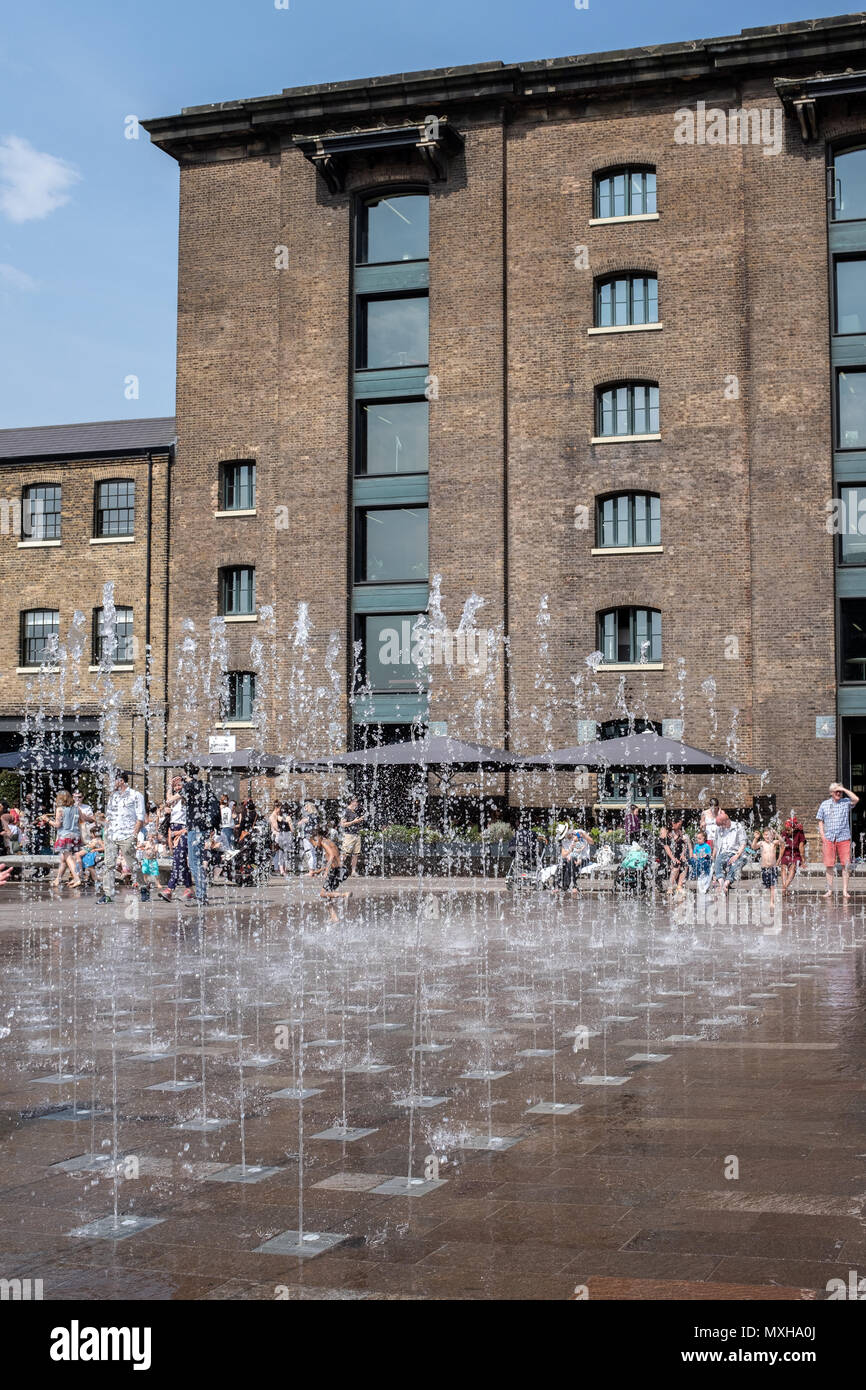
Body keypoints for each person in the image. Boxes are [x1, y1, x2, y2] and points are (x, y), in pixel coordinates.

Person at [98, 770, 146, 904]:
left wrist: (134, 835)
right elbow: (109, 817)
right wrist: (106, 832)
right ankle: (108, 894)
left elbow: (140, 817)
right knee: (109, 865)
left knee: (133, 865)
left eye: (113, 780)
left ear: (121, 781)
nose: (110, 783)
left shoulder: (136, 795)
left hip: (127, 835)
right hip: (112, 835)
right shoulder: (113, 797)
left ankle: (143, 887)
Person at [179, 763, 220, 905]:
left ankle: (202, 896)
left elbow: (177, 797)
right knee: (197, 862)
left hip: (195, 828)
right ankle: (202, 895)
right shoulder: (204, 786)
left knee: (194, 862)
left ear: (187, 773)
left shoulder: (191, 786)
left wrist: (180, 787)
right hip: (202, 828)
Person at [817, 781, 860, 900]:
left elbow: (856, 799)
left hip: (843, 837)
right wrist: (822, 835)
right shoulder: (824, 804)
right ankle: (829, 890)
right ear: (831, 793)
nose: (839, 793)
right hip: (829, 838)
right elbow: (820, 820)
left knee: (846, 865)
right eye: (836, 791)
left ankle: (845, 890)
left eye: (840, 792)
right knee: (829, 865)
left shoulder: (845, 802)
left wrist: (844, 789)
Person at [159, 777, 193, 902]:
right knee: (181, 860)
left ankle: (169, 889)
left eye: (180, 785)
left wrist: (181, 832)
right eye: (176, 786)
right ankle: (189, 889)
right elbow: (169, 799)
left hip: (183, 830)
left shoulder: (186, 797)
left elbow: (169, 799)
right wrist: (169, 785)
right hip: (174, 830)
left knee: (178, 859)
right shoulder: (177, 800)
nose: (178, 788)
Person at [309, 828, 351, 917]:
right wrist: (319, 871)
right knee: (327, 894)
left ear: (317, 838)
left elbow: (331, 856)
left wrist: (326, 872)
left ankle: (344, 894)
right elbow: (334, 861)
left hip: (337, 871)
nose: (315, 846)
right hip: (341, 870)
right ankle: (333, 917)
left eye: (313, 843)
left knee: (323, 894)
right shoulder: (329, 842)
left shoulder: (324, 842)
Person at [51, 791, 83, 889]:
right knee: (63, 859)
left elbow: (57, 825)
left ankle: (77, 878)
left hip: (65, 836)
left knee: (68, 857)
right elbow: (82, 820)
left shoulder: (60, 809)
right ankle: (58, 879)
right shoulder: (77, 808)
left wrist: (47, 820)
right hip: (75, 836)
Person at [712, 811, 747, 894]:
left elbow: (743, 843)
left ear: (726, 821)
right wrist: (713, 857)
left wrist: (737, 855)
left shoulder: (738, 827)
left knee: (736, 864)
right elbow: (716, 846)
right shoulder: (719, 829)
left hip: (736, 853)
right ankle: (722, 884)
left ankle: (726, 883)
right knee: (718, 861)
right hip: (723, 854)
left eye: (721, 825)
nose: (720, 827)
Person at [753, 825, 783, 910]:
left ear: (772, 836)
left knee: (773, 885)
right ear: (763, 835)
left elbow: (782, 841)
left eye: (769, 835)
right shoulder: (762, 843)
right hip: (764, 868)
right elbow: (753, 847)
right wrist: (755, 838)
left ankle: (772, 902)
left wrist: (776, 833)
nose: (767, 836)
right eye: (766, 835)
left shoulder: (774, 843)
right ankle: (766, 899)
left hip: (773, 868)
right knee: (767, 886)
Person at [339, 795, 366, 875]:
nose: (357, 803)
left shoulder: (354, 811)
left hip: (356, 834)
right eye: (356, 801)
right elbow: (342, 824)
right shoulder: (346, 811)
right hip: (349, 835)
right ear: (352, 802)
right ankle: (338, 869)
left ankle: (353, 871)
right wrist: (354, 822)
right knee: (345, 853)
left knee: (355, 854)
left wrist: (359, 820)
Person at [664, 817, 691, 896]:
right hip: (668, 856)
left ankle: (679, 886)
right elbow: (666, 847)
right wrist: (673, 858)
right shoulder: (667, 833)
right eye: (679, 824)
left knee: (685, 864)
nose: (680, 826)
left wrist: (683, 854)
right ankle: (670, 887)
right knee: (676, 866)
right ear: (673, 823)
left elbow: (684, 844)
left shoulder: (680, 832)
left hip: (679, 855)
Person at [780, 815, 807, 893]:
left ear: (793, 828)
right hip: (786, 853)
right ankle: (785, 888)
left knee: (793, 868)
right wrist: (779, 859)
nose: (787, 832)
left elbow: (801, 847)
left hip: (796, 854)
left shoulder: (800, 833)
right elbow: (782, 847)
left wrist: (803, 860)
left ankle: (784, 888)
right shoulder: (784, 833)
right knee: (783, 868)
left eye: (788, 830)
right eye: (786, 830)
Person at [268, 802, 295, 877]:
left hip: (280, 835)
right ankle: (283, 869)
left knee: (280, 853)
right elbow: (292, 829)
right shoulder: (287, 817)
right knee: (284, 853)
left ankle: (281, 870)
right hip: (285, 835)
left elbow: (277, 827)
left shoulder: (277, 817)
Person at [297, 801, 320, 875]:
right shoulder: (315, 815)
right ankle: (313, 870)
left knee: (309, 853)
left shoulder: (309, 816)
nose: (304, 808)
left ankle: (311, 871)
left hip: (307, 836)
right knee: (313, 853)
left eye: (306, 807)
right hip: (313, 836)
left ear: (309, 807)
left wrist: (301, 821)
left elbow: (300, 823)